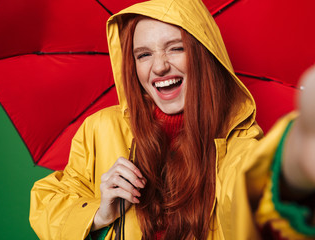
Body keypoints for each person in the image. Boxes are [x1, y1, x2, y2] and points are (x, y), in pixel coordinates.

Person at [29, 0, 315, 239]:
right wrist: (100, 212)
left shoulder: (236, 140)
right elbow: (46, 202)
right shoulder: (100, 128)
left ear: (204, 55)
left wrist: (297, 159)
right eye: (143, 54)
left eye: (176, 48)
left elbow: (251, 189)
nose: (159, 66)